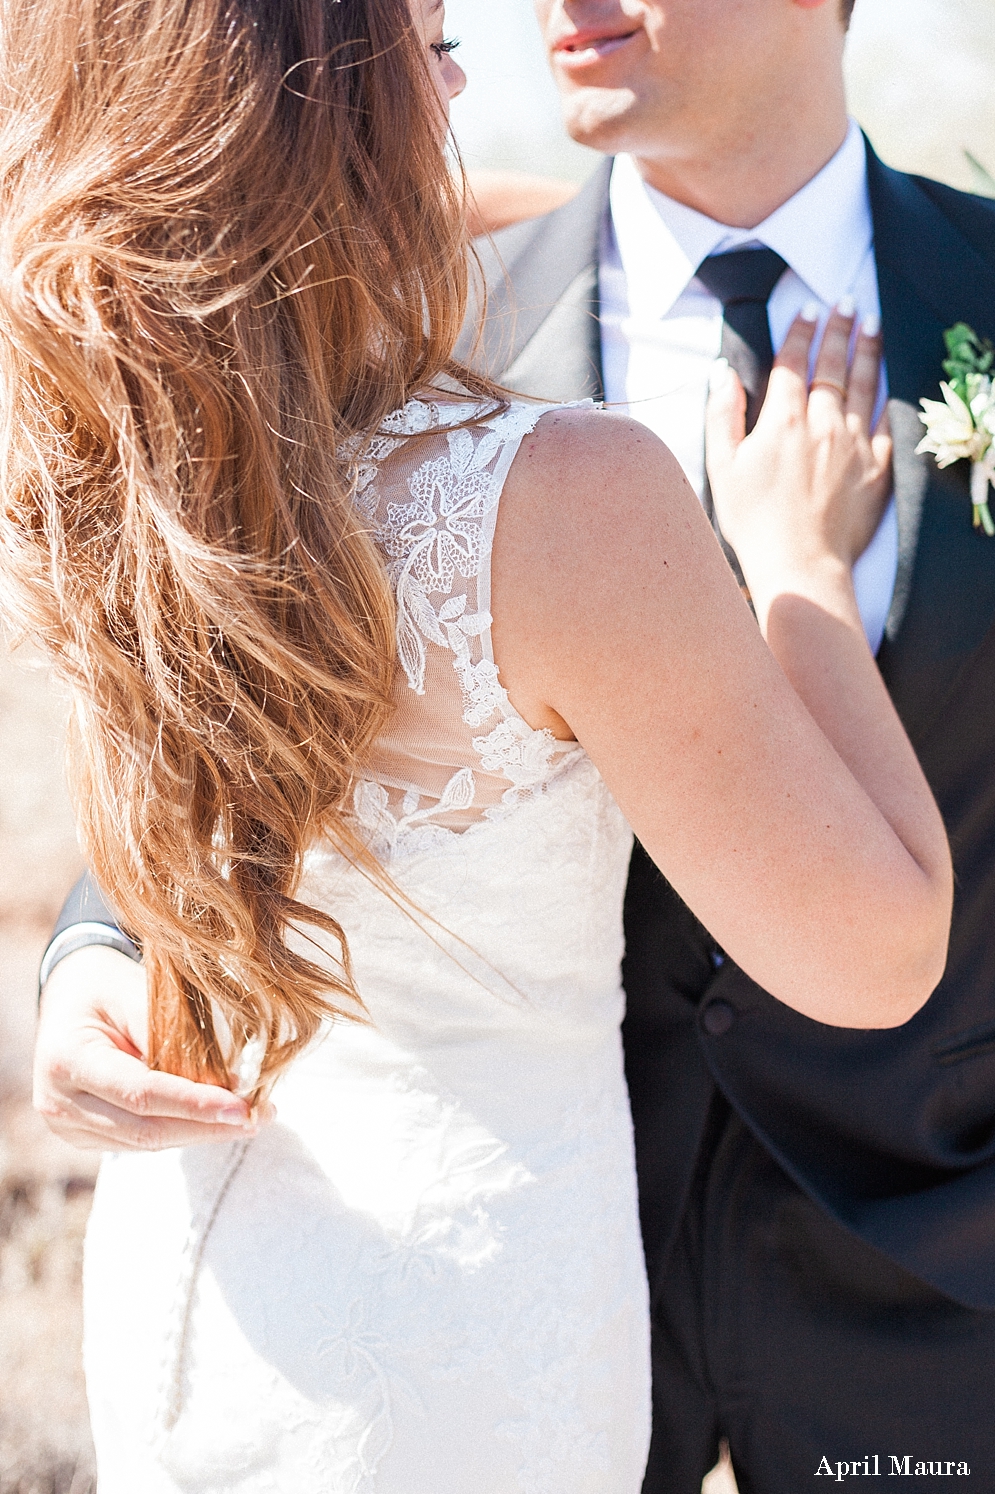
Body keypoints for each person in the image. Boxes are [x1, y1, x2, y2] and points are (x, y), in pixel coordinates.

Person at [19, 1, 951, 1491]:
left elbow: (223, 724)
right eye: (436, 41)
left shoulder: (118, 443)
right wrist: (799, 572)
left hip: (233, 1312)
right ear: (346, 101)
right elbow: (190, 769)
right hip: (501, 1325)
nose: (483, 66)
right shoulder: (513, 409)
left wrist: (74, 979)